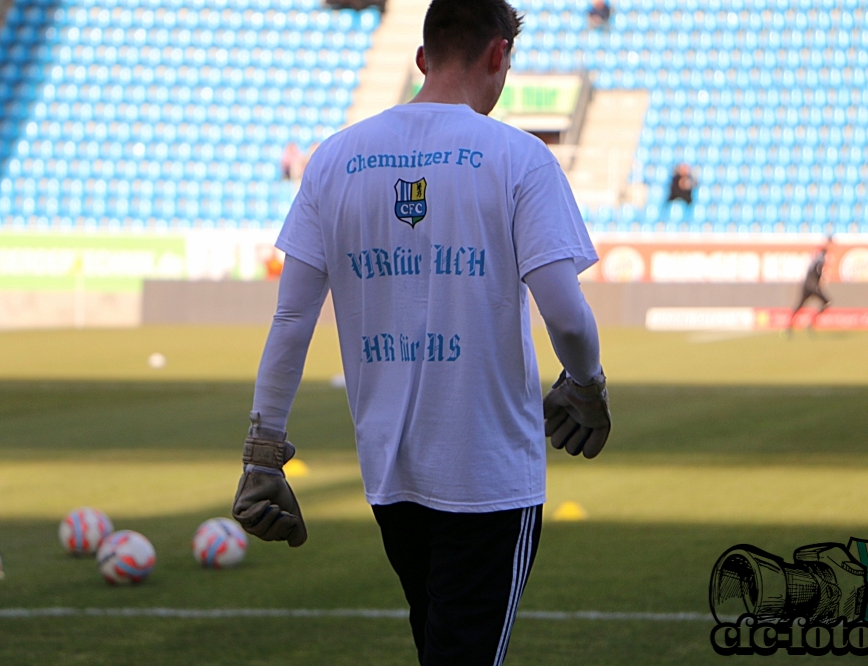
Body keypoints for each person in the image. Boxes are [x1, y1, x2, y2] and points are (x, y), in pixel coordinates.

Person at [231, 1, 611, 664]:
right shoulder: (518, 159)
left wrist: (262, 454)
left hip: (390, 473)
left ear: (422, 58)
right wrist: (586, 386)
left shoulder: (334, 159)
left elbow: (292, 318)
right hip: (487, 476)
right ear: (499, 57)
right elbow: (568, 314)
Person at [786, 238, 832, 334]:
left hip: (806, 285)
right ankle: (811, 322)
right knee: (827, 302)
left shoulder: (814, 259)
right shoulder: (820, 260)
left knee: (799, 305)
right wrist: (821, 279)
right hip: (813, 286)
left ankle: (789, 326)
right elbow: (818, 271)